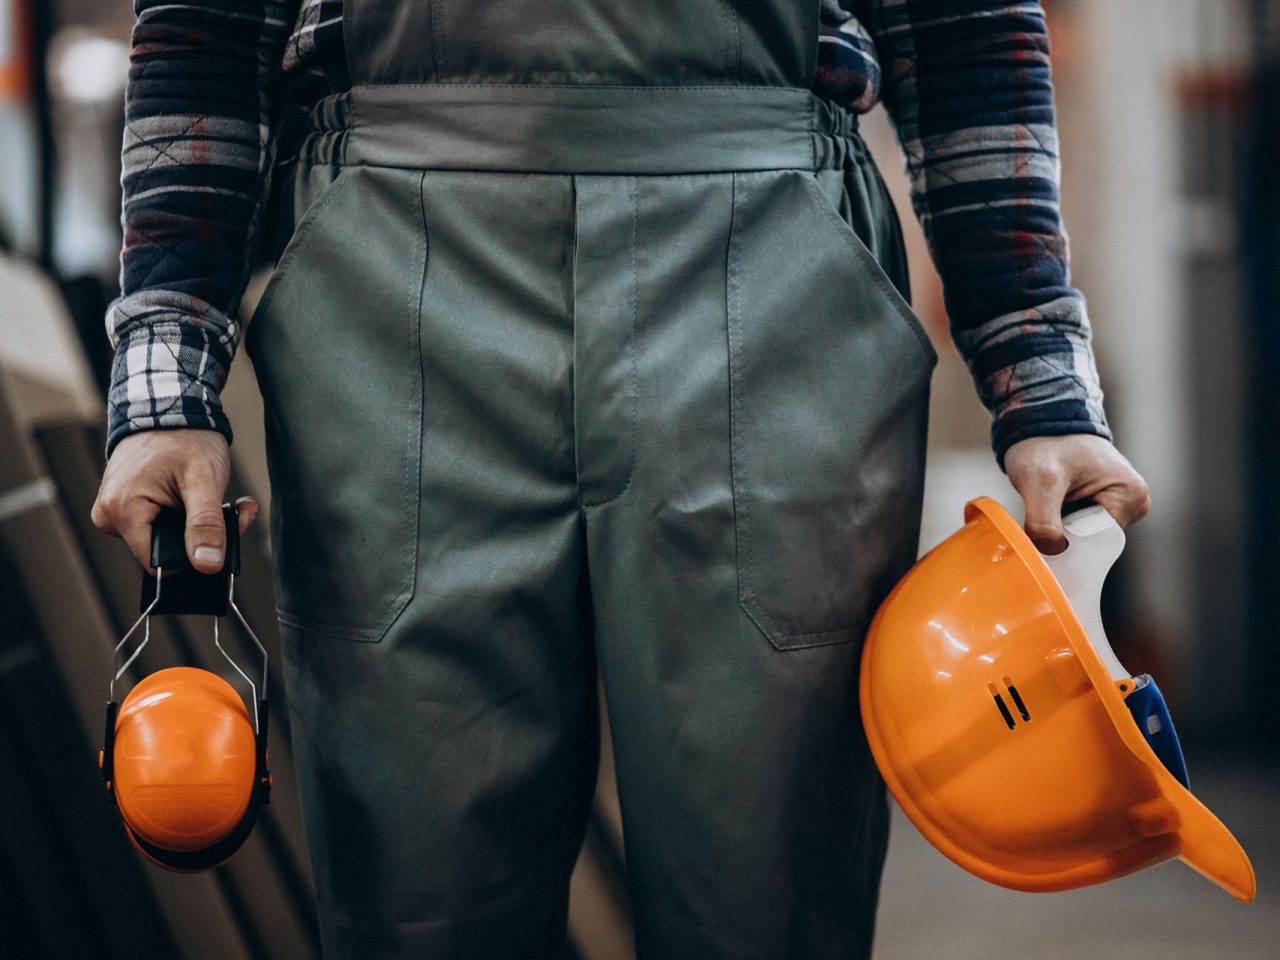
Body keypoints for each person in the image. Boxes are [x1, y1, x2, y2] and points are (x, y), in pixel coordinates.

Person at [92, 1, 1150, 957]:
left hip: (768, 276)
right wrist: (165, 383)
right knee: (420, 899)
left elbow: (964, 30)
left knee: (767, 893)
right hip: (394, 290)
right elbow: (206, 28)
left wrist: (1039, 380)